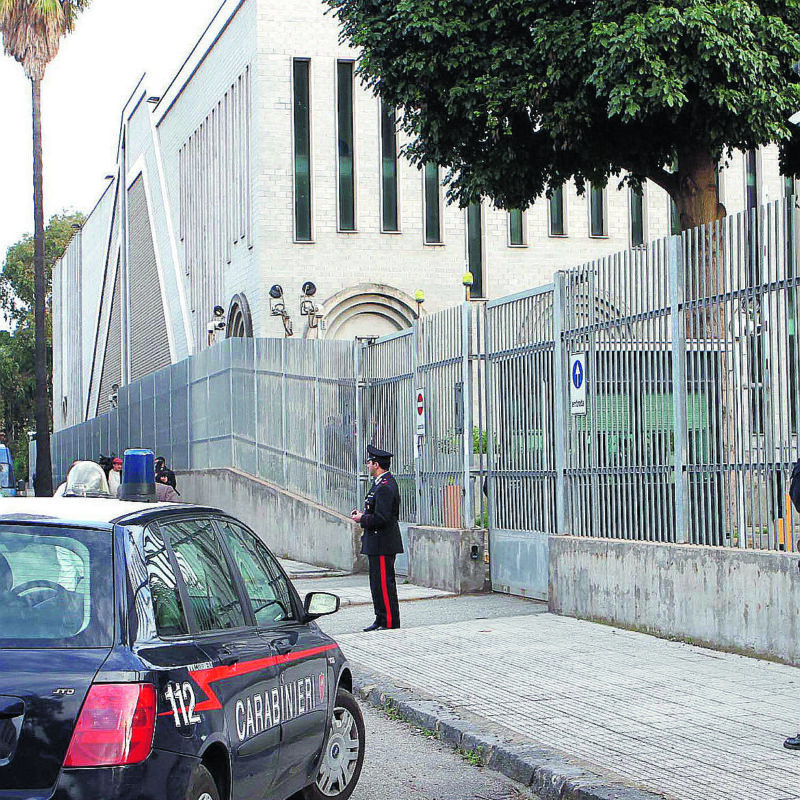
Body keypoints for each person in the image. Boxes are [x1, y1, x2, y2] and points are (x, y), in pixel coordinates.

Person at [350, 445, 403, 631]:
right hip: (376, 542)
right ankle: (380, 618)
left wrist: (361, 518)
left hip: (383, 543)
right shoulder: (379, 484)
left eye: (370, 462)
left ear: (377, 464)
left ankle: (389, 622)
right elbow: (377, 512)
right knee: (376, 584)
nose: (368, 465)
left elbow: (383, 518)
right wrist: (363, 514)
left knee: (384, 585)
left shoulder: (386, 486)